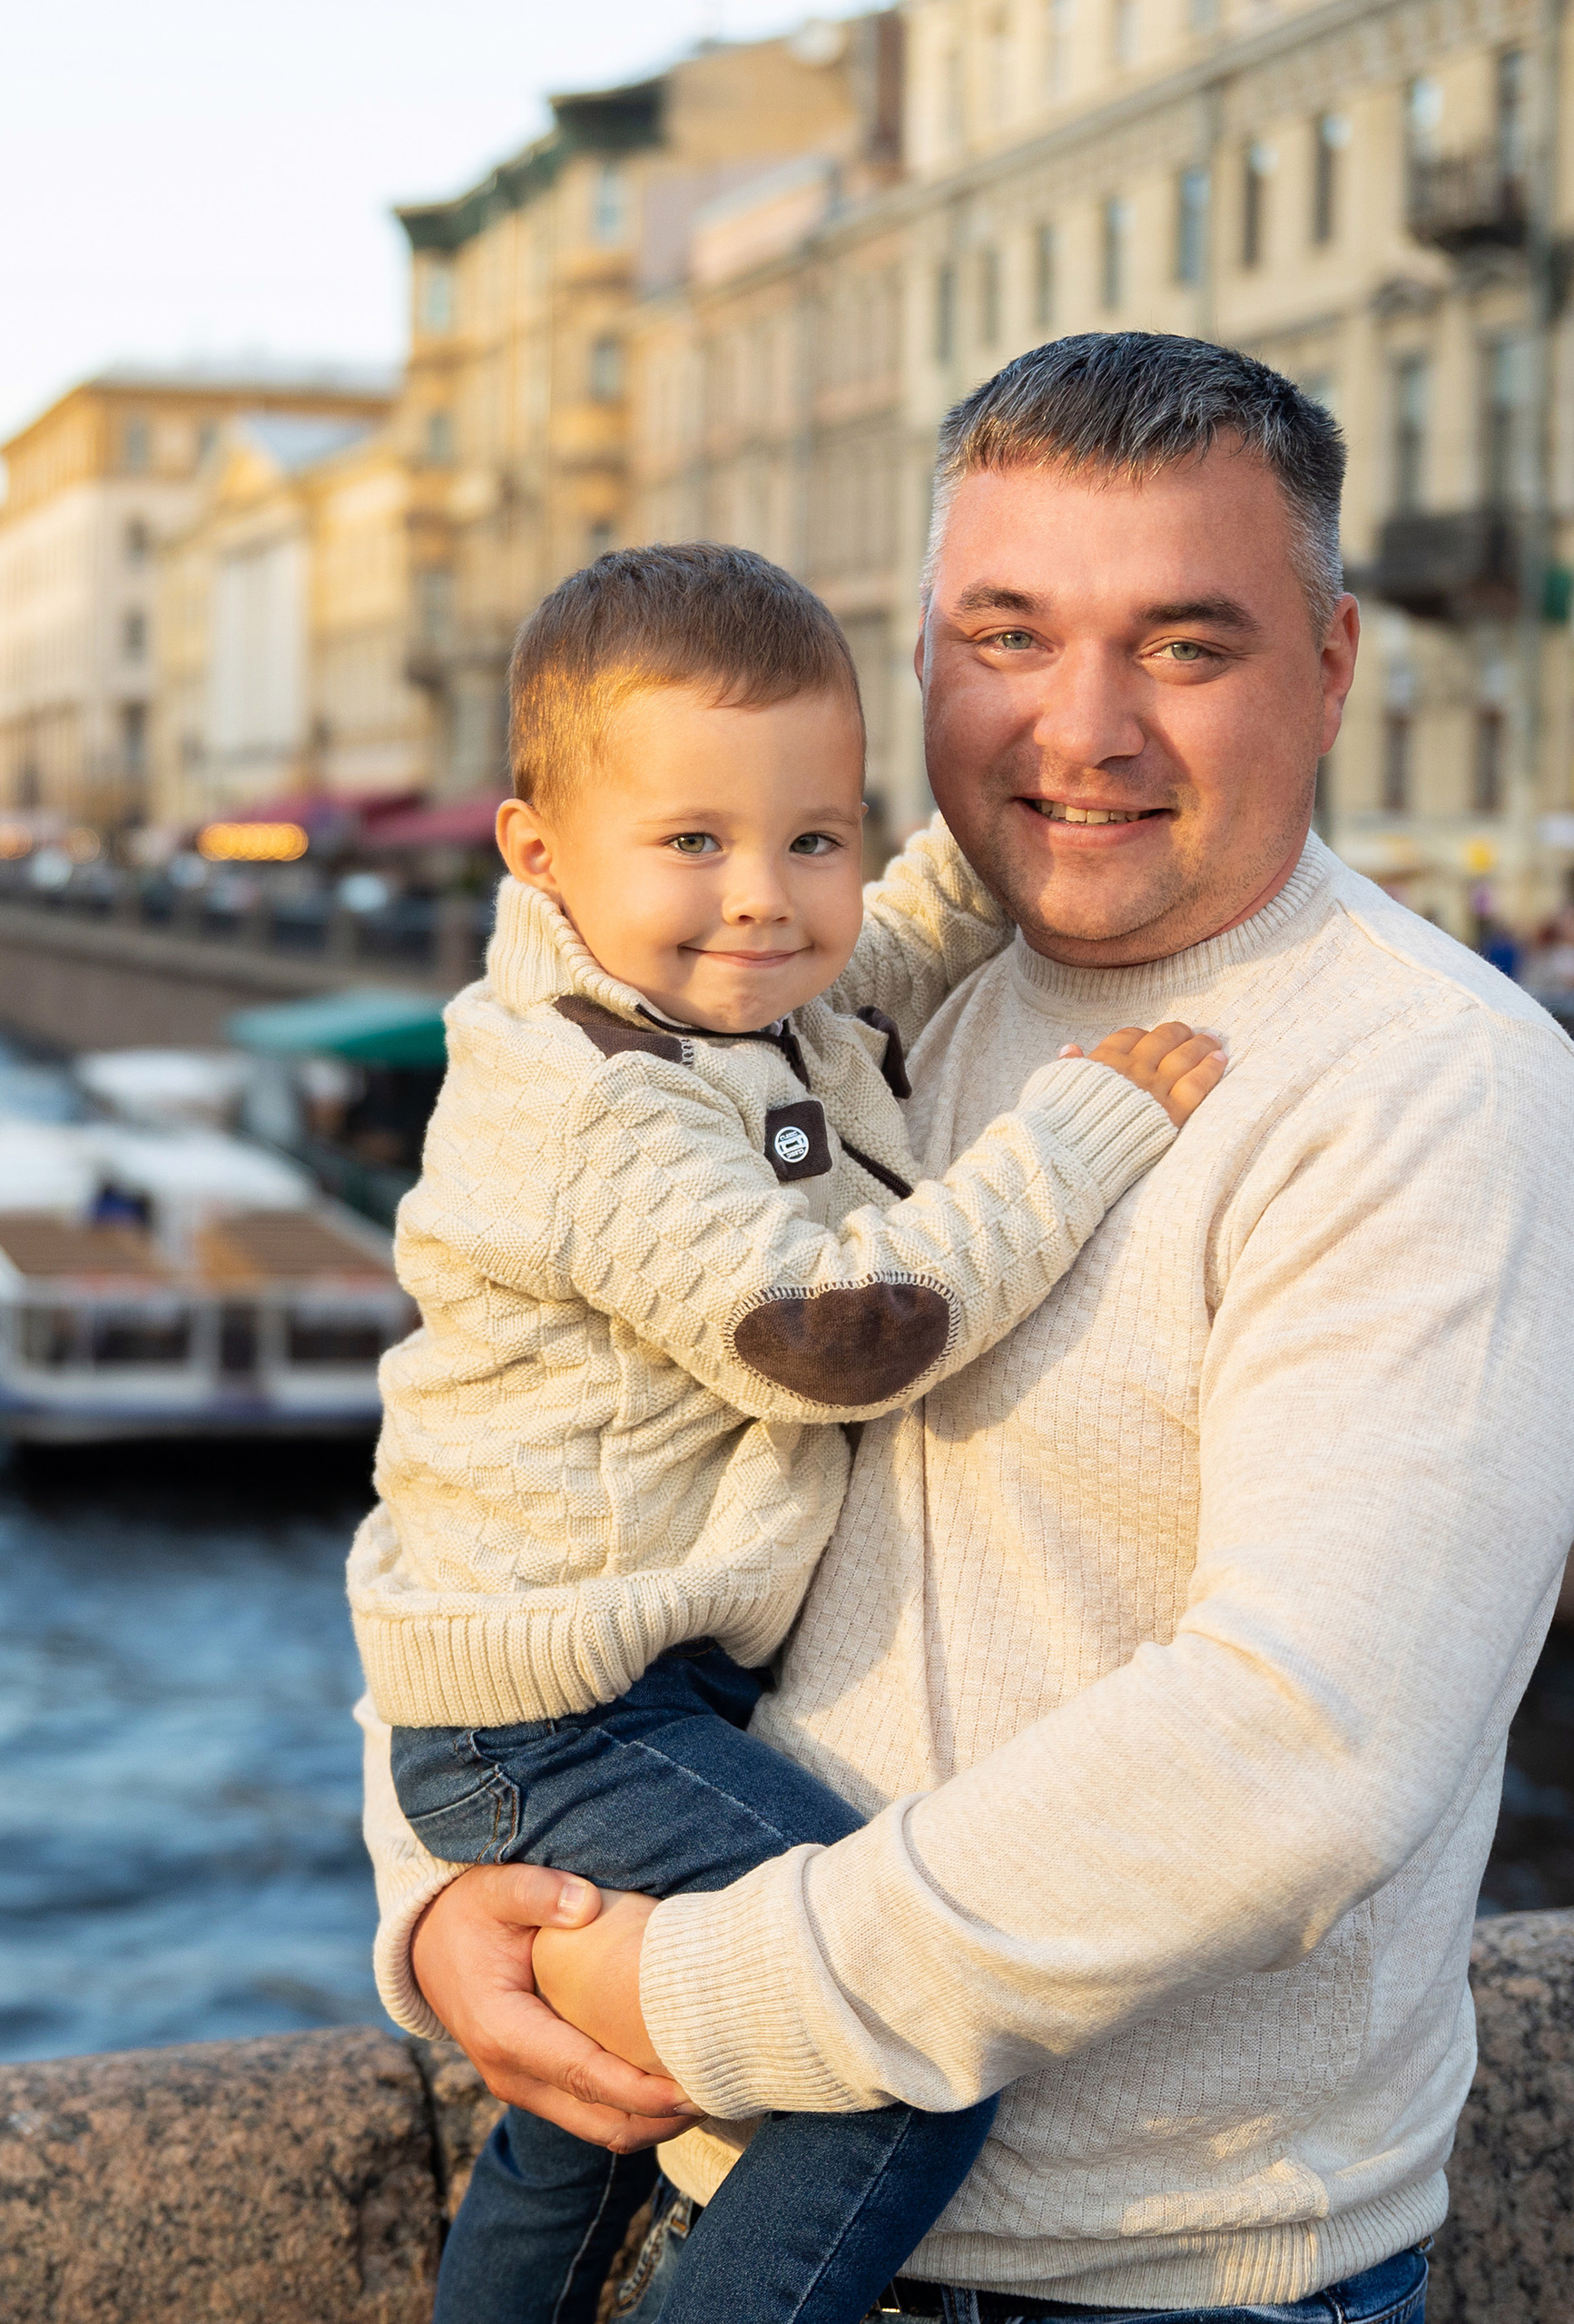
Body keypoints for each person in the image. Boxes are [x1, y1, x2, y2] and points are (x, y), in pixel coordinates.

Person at [362, 333, 1574, 2324]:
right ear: (916, 655)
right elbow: (480, 1462)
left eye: (1182, 644)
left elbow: (1295, 1747)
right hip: (706, 2194)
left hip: (1153, 2281)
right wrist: (449, 1920)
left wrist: (683, 1990)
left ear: (1331, 665)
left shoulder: (1427, 1081)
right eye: (1004, 632)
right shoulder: (827, 990)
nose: (1075, 727)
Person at [352, 541, 1222, 2323]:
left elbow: (889, 940)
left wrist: (1021, 805)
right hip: (559, 1723)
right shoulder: (593, 1104)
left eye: (807, 837)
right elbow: (828, 1338)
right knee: (894, 2033)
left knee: (581, 2119)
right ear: (536, 852)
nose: (760, 899)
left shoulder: (723, 1008)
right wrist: (1066, 1140)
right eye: (691, 842)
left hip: (560, 1699)